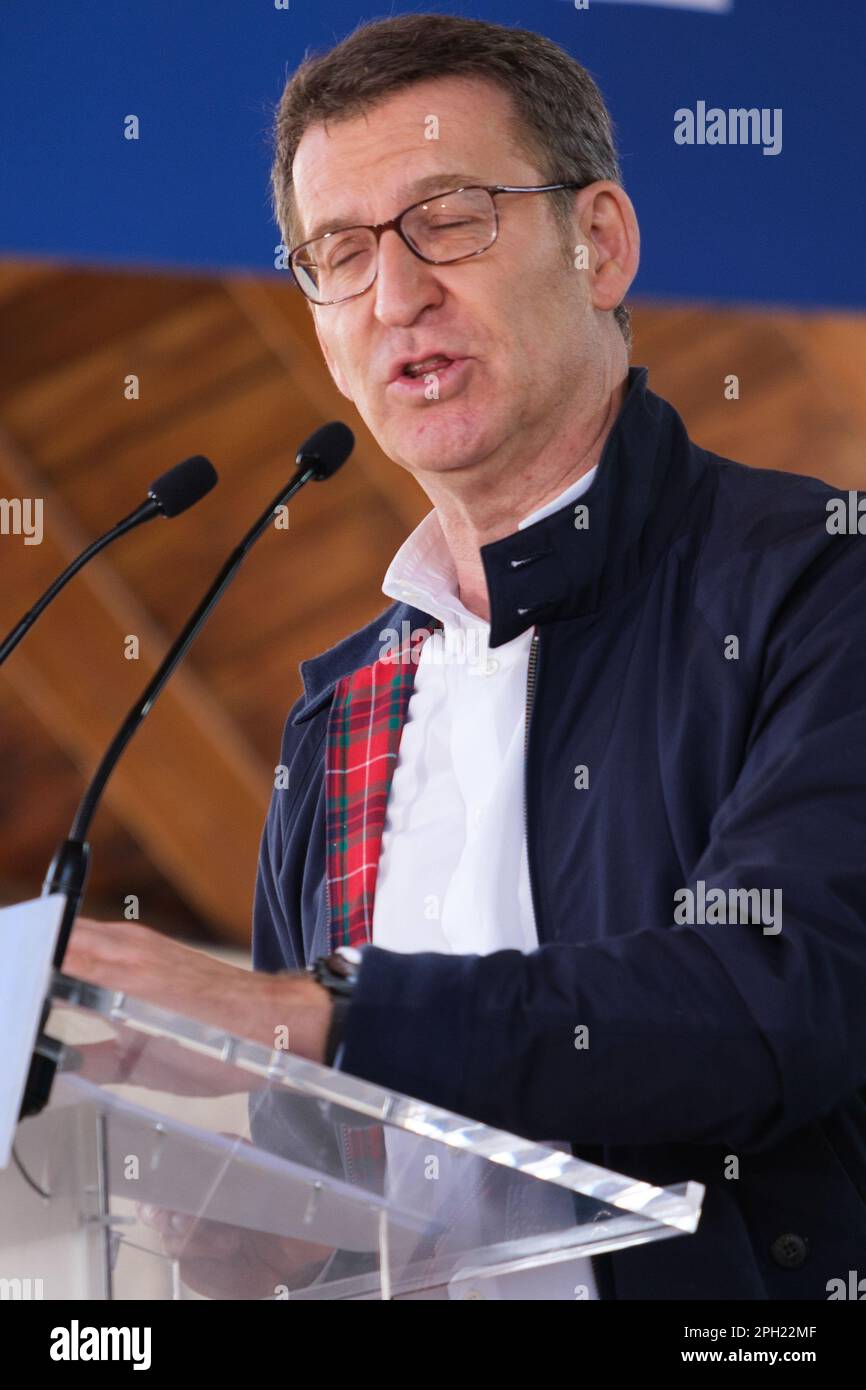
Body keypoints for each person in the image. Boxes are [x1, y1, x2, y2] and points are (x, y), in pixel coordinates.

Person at [67, 13, 866, 1300]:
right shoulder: (338, 714)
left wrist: (314, 1013)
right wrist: (263, 1229)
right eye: (338, 252)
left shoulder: (819, 580)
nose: (395, 295)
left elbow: (778, 996)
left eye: (449, 218)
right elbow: (325, 1143)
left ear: (595, 242)